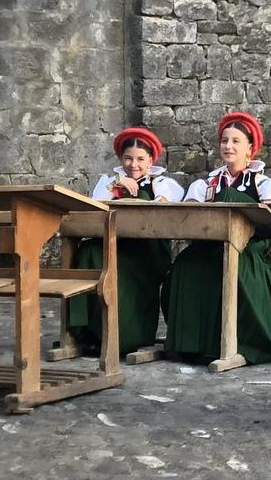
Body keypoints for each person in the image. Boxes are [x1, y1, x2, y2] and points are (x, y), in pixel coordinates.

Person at [161, 111, 271, 364]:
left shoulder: (264, 183)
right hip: (210, 245)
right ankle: (193, 342)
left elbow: (269, 228)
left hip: (249, 248)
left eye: (235, 141)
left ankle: (241, 342)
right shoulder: (207, 184)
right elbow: (191, 221)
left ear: (250, 148)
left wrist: (234, 203)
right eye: (224, 140)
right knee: (185, 263)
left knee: (236, 265)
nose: (228, 146)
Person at [66, 126, 185, 356]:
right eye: (128, 158)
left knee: (128, 274)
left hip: (146, 251)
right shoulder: (110, 182)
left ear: (151, 160)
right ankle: (87, 332)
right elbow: (95, 202)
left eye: (141, 159)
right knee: (89, 251)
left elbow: (173, 196)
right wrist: (116, 186)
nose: (134, 165)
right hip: (117, 244)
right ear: (121, 159)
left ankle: (127, 338)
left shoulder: (160, 183)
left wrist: (153, 198)